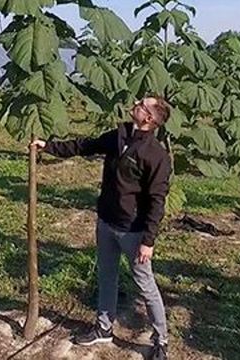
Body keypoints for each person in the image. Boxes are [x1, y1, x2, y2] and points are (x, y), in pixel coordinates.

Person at [30, 96, 172, 360]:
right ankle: (104, 328)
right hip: (106, 222)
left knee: (145, 285)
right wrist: (48, 146)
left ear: (149, 119)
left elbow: (157, 201)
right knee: (107, 278)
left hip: (133, 231)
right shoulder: (119, 135)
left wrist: (148, 241)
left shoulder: (156, 155)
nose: (137, 103)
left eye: (143, 105)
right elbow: (86, 145)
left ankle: (160, 340)